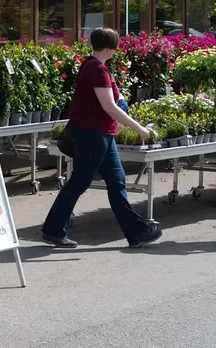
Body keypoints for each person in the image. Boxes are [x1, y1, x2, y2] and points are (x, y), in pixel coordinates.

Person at [41, 27, 162, 249]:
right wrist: (139, 128)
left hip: (101, 135)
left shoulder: (93, 66)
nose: (116, 51)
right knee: (80, 182)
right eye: (115, 47)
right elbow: (110, 108)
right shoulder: (97, 70)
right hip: (93, 135)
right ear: (109, 48)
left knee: (117, 181)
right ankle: (53, 230)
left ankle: (136, 232)